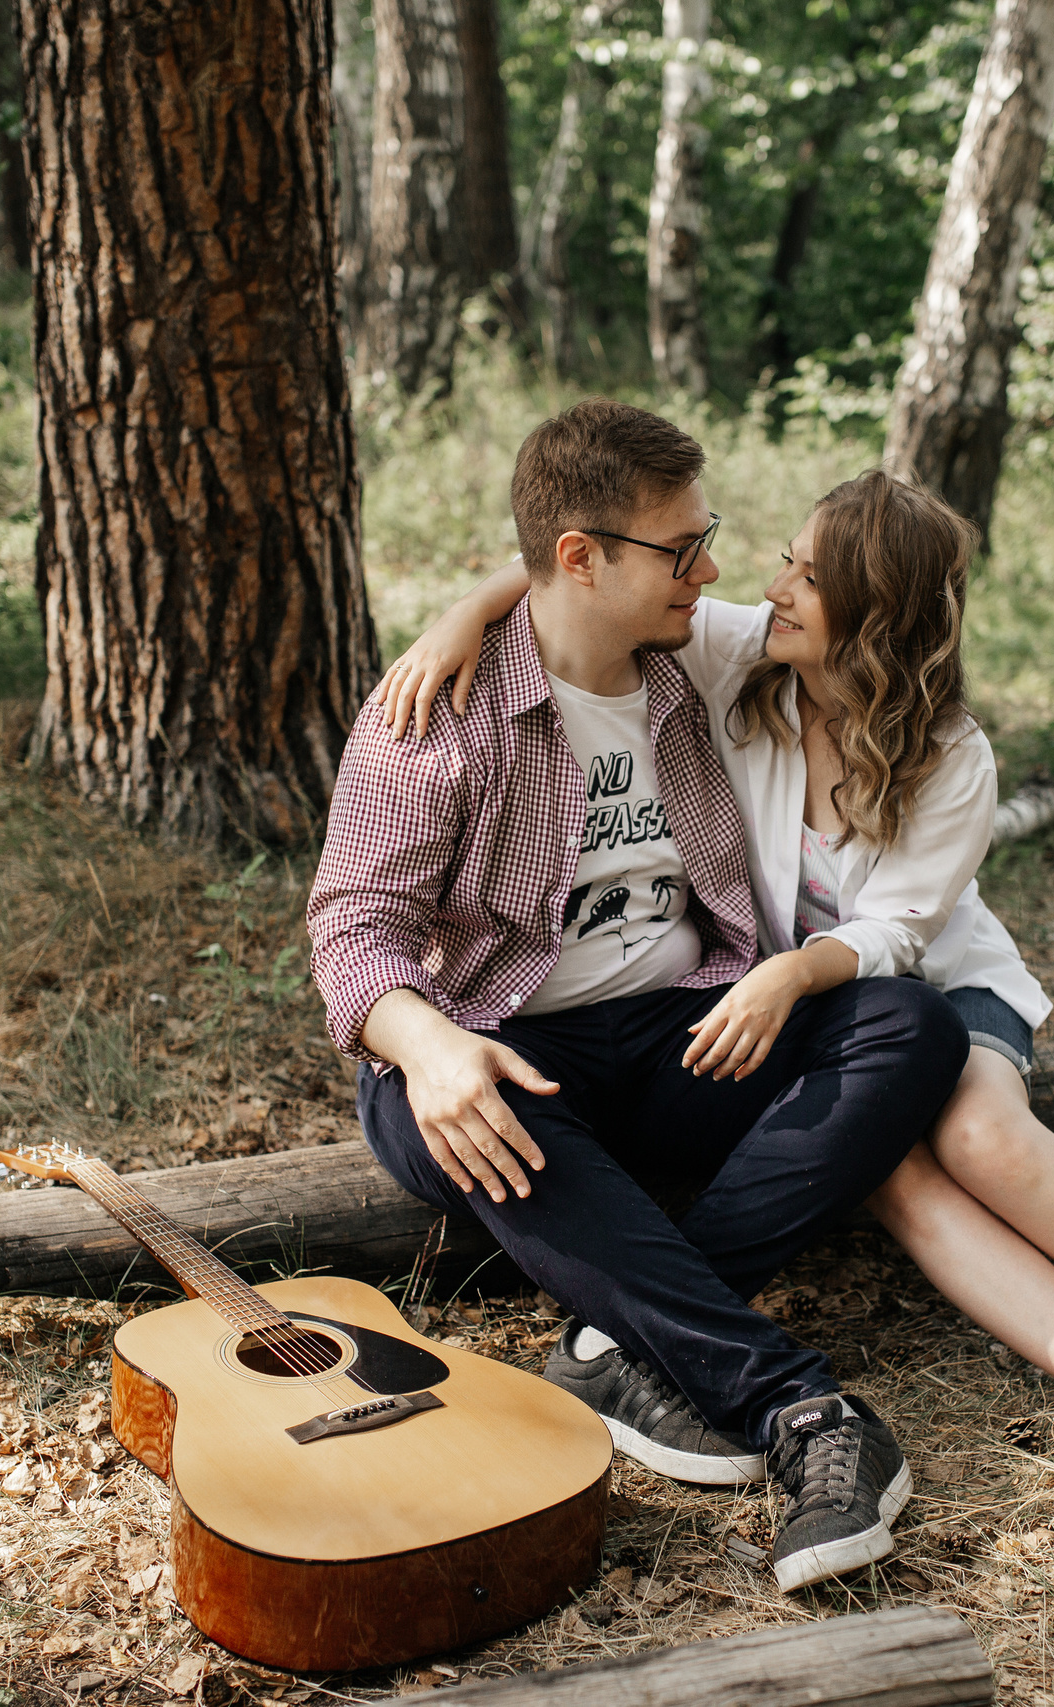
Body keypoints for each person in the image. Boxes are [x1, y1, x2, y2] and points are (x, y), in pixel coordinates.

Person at [379, 469, 1054, 1529]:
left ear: (877, 616)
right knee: (907, 1183)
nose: (773, 584)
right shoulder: (741, 662)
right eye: (784, 560)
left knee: (982, 1145)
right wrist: (456, 620)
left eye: (808, 574)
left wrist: (788, 971)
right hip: (801, 1023)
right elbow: (576, 580)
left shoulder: (952, 754)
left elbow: (901, 934)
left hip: (928, 991)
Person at [307, 400, 969, 1592]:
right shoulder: (434, 716)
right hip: (501, 1050)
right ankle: (804, 1412)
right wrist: (429, 1046)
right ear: (581, 557)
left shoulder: (693, 674)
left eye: (706, 541)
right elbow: (352, 929)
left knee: (910, 1025)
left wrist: (481, 593)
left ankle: (619, 1338)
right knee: (446, 1104)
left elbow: (873, 631)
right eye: (683, 550)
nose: (714, 573)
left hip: (680, 1038)